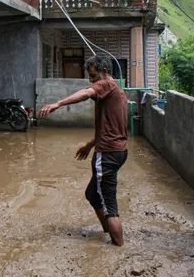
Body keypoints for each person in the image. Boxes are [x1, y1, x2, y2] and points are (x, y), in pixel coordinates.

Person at [39, 55, 128, 246]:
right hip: (118, 151)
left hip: (108, 154)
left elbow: (86, 93)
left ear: (105, 73)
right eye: (89, 77)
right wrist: (89, 145)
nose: (91, 81)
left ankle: (118, 248)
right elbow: (110, 128)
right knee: (93, 195)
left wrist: (58, 104)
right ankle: (108, 232)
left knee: (110, 205)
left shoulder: (107, 85)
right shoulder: (118, 92)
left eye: (94, 76)